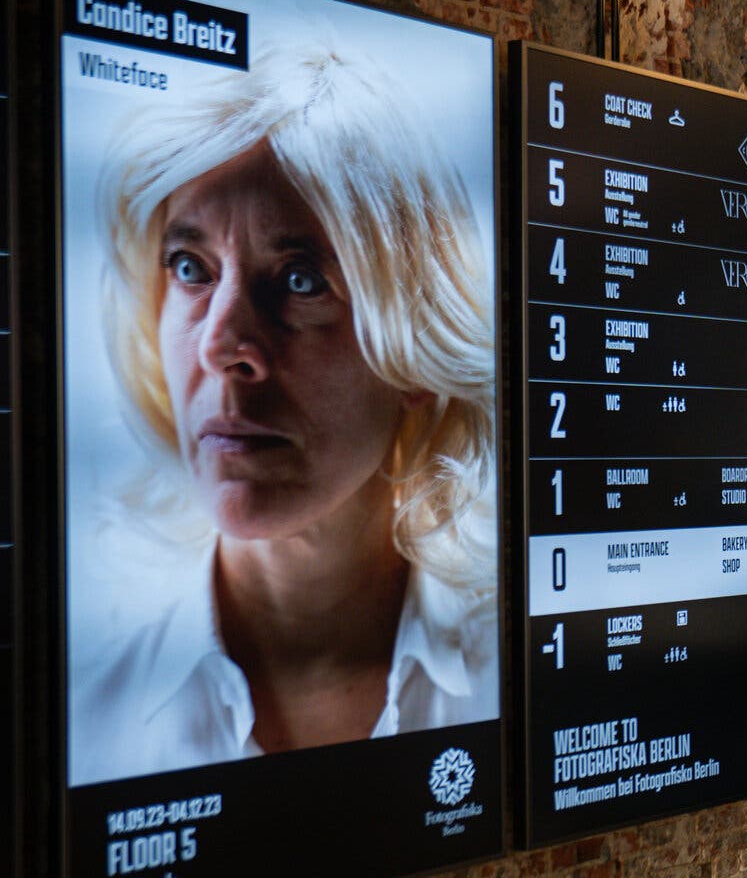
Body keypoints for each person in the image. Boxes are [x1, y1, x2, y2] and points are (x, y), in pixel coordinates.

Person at [69, 41, 498, 785]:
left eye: (300, 280)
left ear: (415, 351)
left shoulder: (524, 669)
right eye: (191, 269)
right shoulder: (86, 704)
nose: (222, 346)